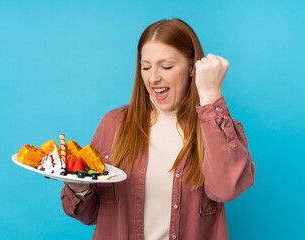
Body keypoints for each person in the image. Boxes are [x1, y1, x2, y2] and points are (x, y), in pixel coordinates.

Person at [61, 18, 255, 240]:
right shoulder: (114, 124)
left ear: (192, 68)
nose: (153, 78)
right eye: (146, 67)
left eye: (167, 66)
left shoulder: (213, 128)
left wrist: (211, 96)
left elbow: (226, 189)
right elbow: (89, 214)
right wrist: (78, 186)